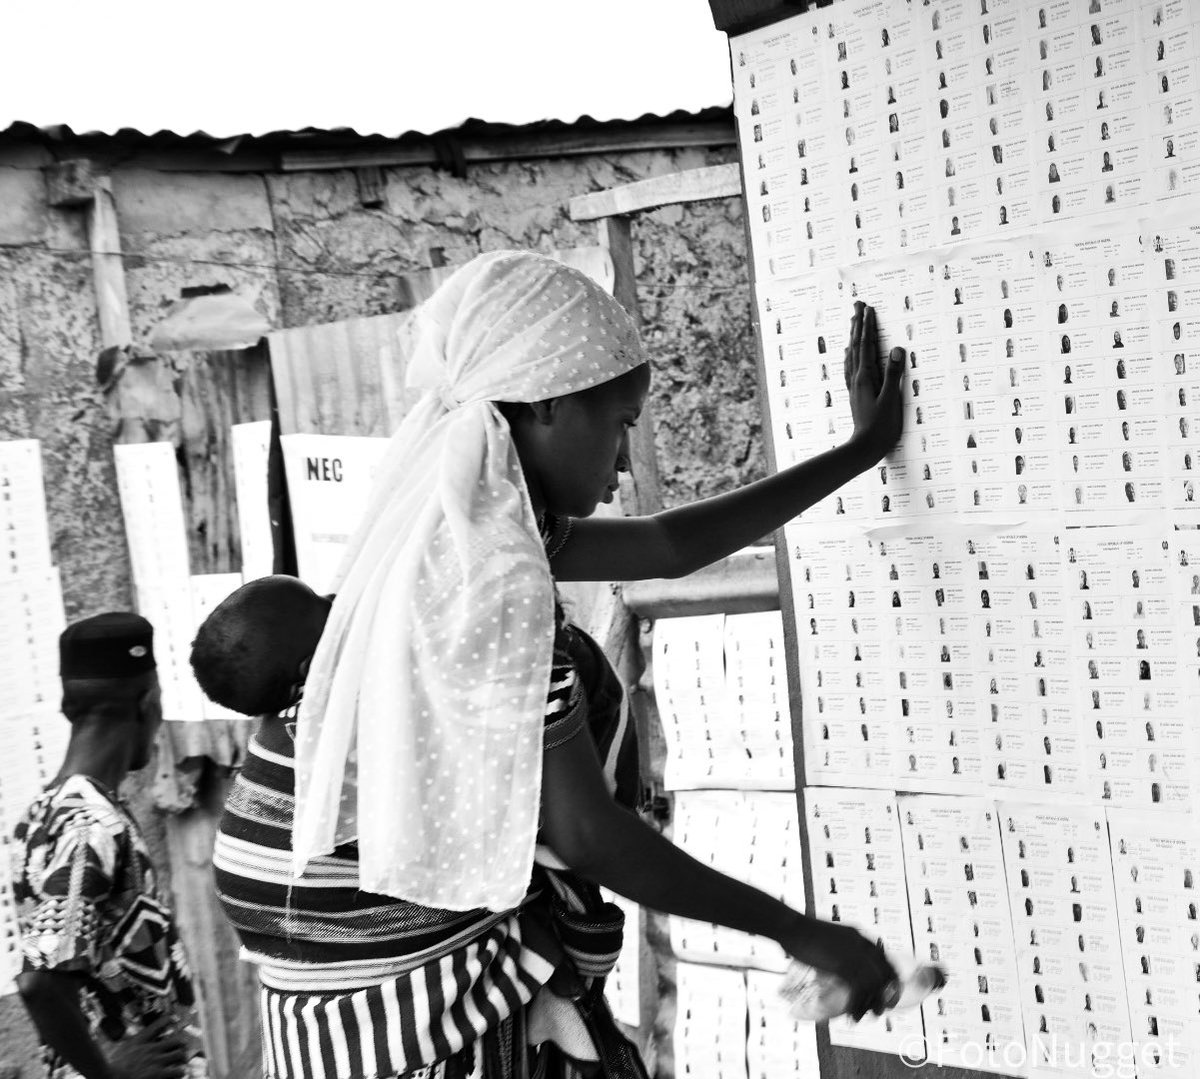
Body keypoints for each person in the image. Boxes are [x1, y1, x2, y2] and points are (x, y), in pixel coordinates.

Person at [202, 253, 906, 1078]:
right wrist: (801, 930)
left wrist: (859, 453)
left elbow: (668, 545)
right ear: (543, 405)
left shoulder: (454, 515)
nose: (621, 459)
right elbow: (589, 833)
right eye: (619, 423)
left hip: (324, 1013)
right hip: (417, 1019)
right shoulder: (490, 568)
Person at [14, 614, 206, 1079]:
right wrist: (110, 1076)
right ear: (147, 704)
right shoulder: (91, 826)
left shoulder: (47, 809)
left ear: (67, 707)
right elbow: (40, 980)